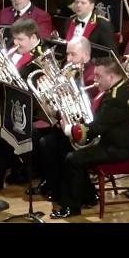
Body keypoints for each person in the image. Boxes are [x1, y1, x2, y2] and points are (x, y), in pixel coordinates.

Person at [50, 56, 129, 218]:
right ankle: (87, 196)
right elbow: (102, 121)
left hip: (117, 148)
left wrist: (69, 129)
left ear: (110, 77)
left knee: (73, 159)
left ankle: (72, 207)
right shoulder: (118, 89)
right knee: (66, 150)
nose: (95, 80)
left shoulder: (116, 98)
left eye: (98, 76)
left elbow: (97, 127)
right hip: (112, 141)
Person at [0, 18, 47, 193]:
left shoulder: (41, 58)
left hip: (32, 113)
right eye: (14, 39)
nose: (15, 43)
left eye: (20, 39)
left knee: (3, 133)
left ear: (33, 38)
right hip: (9, 108)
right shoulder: (13, 54)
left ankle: (5, 177)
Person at [35, 36, 97, 201]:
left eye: (72, 55)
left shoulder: (92, 76)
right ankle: (53, 185)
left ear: (85, 55)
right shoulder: (71, 72)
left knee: (60, 146)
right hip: (69, 127)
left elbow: (91, 111)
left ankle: (79, 193)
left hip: (88, 130)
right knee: (45, 142)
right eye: (67, 54)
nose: (67, 59)